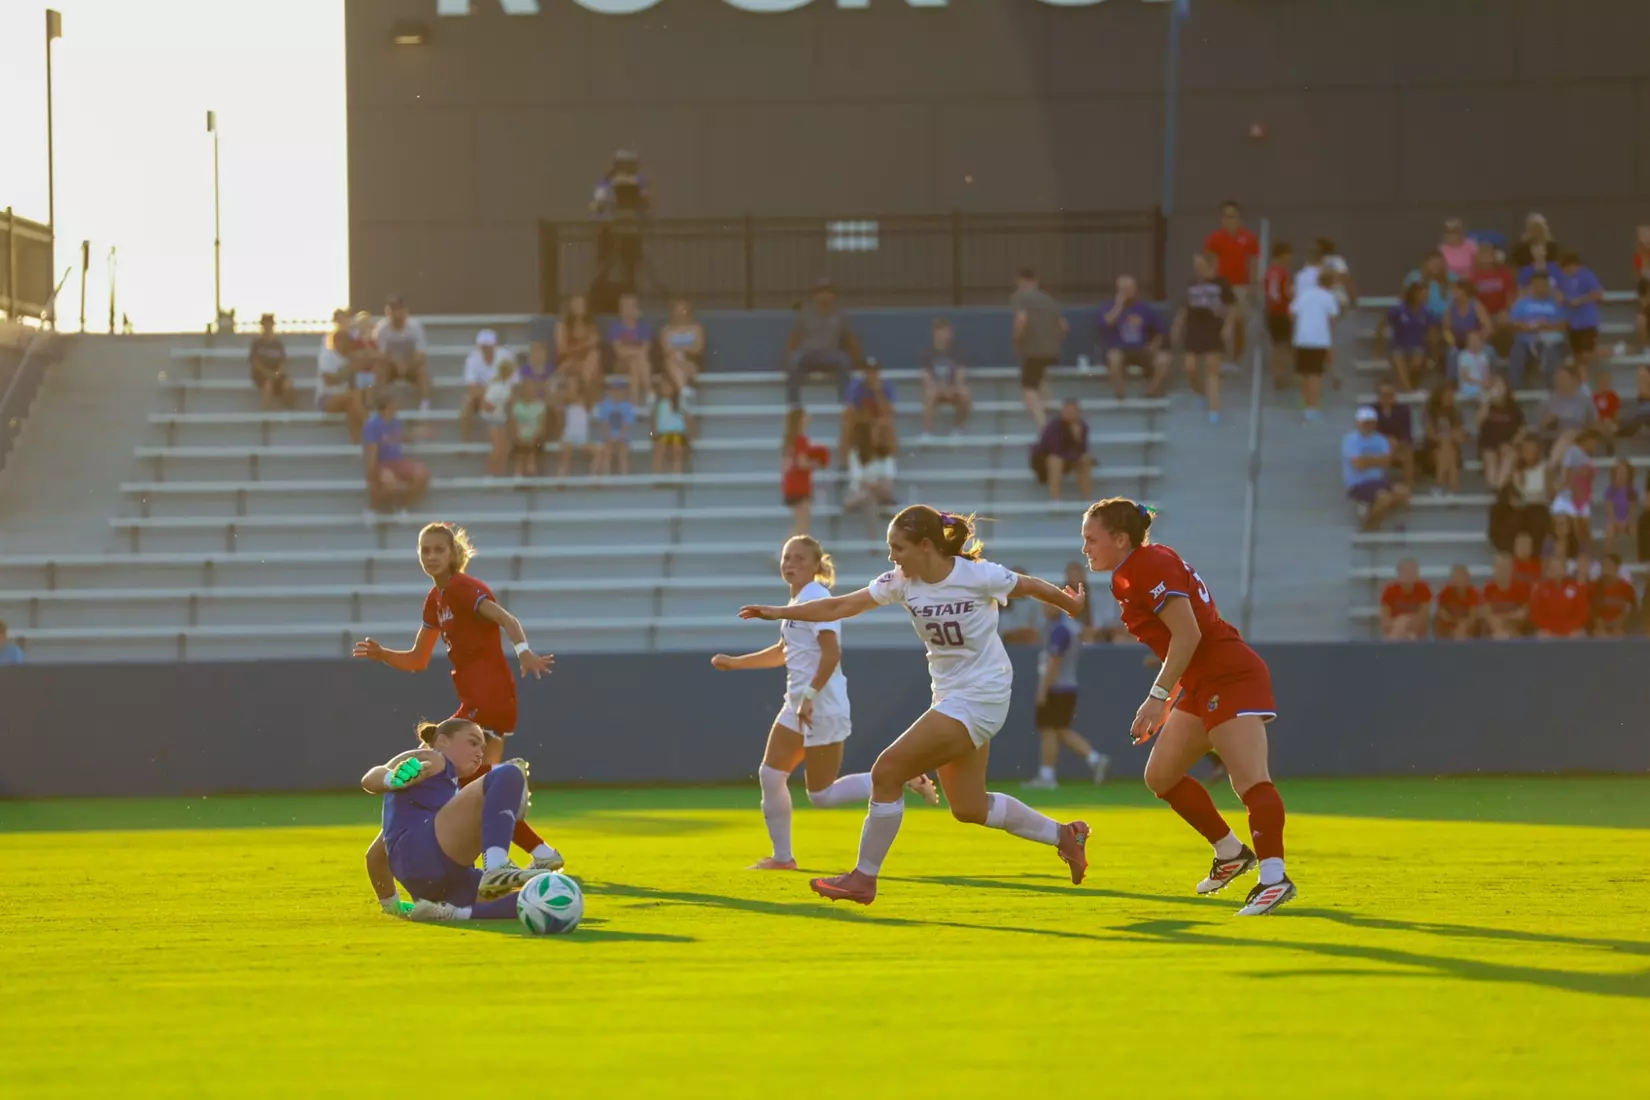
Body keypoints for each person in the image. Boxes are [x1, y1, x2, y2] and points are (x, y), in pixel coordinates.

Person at [738, 507, 1092, 905]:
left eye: (898, 547)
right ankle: (1064, 835)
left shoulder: (978, 575)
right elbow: (839, 607)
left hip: (982, 695)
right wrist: (780, 612)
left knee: (887, 771)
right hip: (950, 696)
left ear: (926, 546)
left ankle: (862, 878)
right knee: (969, 807)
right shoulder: (903, 581)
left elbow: (1028, 586)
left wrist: (1070, 604)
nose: (892, 557)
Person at [1078, 498, 1294, 915]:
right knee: (1161, 775)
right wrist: (1169, 695)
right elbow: (1183, 642)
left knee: (1249, 780)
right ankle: (1231, 853)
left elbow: (1188, 634)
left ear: (1121, 539)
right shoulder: (1133, 569)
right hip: (1202, 681)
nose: (1085, 547)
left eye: (1092, 538)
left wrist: (1158, 697)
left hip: (1229, 676)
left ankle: (1274, 877)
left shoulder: (1147, 564)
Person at [711, 536, 939, 871]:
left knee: (821, 796)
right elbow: (783, 652)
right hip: (798, 703)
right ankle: (783, 858)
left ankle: (904, 776)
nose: (791, 564)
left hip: (820, 705)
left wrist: (810, 696)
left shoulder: (817, 596)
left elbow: (832, 654)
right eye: (787, 557)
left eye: (800, 559)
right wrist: (736, 663)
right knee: (771, 775)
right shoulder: (799, 601)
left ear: (818, 565)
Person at [361, 719, 545, 921]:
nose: (480, 753)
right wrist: (390, 778)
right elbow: (371, 777)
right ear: (442, 741)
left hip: (442, 881)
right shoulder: (435, 759)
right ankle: (496, 867)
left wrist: (391, 905)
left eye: (482, 748)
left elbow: (375, 855)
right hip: (426, 856)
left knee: (540, 896)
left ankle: (452, 914)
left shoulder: (444, 794)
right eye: (472, 743)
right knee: (510, 773)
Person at [1023, 603, 1109, 790]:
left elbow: (1054, 662)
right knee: (1060, 730)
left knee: (1049, 731)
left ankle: (1047, 777)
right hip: (1067, 687)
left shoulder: (1061, 630)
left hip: (1057, 688)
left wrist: (1043, 689)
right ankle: (1094, 759)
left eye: (1048, 605)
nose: (1044, 609)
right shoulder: (1068, 627)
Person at [1174, 253, 1235, 424]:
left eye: (1199, 264)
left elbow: (1232, 307)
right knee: (1190, 368)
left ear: (1210, 265)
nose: (1197, 268)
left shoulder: (1221, 284)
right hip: (1194, 329)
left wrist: (1228, 326)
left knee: (1212, 370)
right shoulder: (1192, 284)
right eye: (1195, 265)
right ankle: (1202, 393)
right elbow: (1184, 308)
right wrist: (1177, 327)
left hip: (1213, 330)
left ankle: (1214, 410)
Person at [786, 279, 860, 409]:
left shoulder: (841, 316)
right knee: (794, 361)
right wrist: (788, 356)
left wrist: (856, 360)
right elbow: (794, 338)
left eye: (828, 292)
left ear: (834, 296)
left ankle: (846, 403)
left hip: (830, 355)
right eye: (820, 292)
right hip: (808, 354)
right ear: (814, 295)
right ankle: (794, 405)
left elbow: (850, 339)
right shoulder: (804, 314)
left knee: (844, 361)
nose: (824, 295)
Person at [1011, 268, 1068, 428]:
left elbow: (1021, 321)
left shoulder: (1020, 297)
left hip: (1033, 351)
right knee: (1040, 379)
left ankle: (1045, 427)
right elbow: (1064, 327)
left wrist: (1016, 339)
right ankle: (1052, 416)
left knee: (1028, 389)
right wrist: (1053, 341)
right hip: (1052, 351)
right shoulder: (1049, 299)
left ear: (1020, 281)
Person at [1099, 274, 1169, 400]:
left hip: (1141, 349)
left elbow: (1160, 332)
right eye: (1124, 289)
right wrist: (1119, 305)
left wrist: (1153, 345)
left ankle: (1150, 393)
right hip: (1119, 349)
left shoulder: (1145, 309)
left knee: (1163, 359)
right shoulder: (1109, 307)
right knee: (1114, 358)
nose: (1127, 292)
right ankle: (1120, 396)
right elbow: (1107, 323)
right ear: (1117, 291)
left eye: (1130, 288)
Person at [361, 393, 429, 515]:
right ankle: (372, 507)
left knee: (422, 474)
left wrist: (417, 433)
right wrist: (372, 472)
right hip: (382, 463)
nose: (397, 405)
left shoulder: (395, 422)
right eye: (393, 403)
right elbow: (372, 449)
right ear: (386, 407)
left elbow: (399, 438)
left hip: (398, 462)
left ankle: (404, 507)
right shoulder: (372, 425)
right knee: (391, 484)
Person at [1343, 406, 1409, 530]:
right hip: (1358, 484)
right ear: (1358, 422)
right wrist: (1377, 459)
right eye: (1365, 422)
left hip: (1378, 482)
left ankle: (1372, 510)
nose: (1368, 425)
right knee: (1384, 498)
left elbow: (1387, 462)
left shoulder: (1381, 440)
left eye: (1371, 422)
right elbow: (1358, 465)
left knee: (1404, 492)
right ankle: (1368, 527)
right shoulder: (1351, 440)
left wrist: (1367, 459)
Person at [1289, 268, 1339, 421]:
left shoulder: (1304, 294)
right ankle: (1313, 407)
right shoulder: (1329, 297)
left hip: (1301, 339)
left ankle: (1305, 403)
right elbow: (1333, 319)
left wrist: (1301, 327)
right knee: (1315, 375)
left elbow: (1291, 312)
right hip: (1319, 340)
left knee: (1304, 373)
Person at [373, 296, 434, 412]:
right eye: (393, 311)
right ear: (388, 313)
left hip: (411, 365)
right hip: (391, 366)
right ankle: (381, 405)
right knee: (380, 369)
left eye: (399, 310)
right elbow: (380, 354)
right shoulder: (381, 329)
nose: (397, 315)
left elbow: (421, 353)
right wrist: (396, 364)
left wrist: (408, 364)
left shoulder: (415, 327)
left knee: (423, 370)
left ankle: (425, 405)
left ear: (405, 312)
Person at [1507, 272, 1567, 388]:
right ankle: (1515, 391)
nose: (1540, 288)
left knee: (1551, 355)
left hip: (1549, 341)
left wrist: (1545, 326)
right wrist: (1526, 326)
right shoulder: (1522, 303)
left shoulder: (1555, 304)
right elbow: (1512, 323)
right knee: (1517, 353)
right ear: (1532, 286)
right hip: (1525, 341)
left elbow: (1563, 324)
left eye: (1543, 285)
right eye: (1537, 285)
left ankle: (1552, 390)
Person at [1557, 251, 1606, 388]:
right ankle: (1583, 383)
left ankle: (1617, 349)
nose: (1568, 271)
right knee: (1577, 356)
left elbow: (1599, 294)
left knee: (1586, 353)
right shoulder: (1563, 277)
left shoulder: (1586, 275)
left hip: (1587, 321)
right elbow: (1558, 292)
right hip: (1572, 323)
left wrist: (1581, 300)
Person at [1030, 398, 1092, 503]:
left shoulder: (1082, 426)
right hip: (1045, 462)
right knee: (1055, 460)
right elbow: (1055, 449)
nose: (1070, 414)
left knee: (1085, 460)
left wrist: (1077, 438)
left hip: (1069, 459)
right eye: (1067, 411)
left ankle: (1087, 499)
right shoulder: (1054, 426)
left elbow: (1083, 450)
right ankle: (1055, 499)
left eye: (1073, 411)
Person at [781, 408, 830, 536]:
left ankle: (786, 552)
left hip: (792, 486)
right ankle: (784, 553)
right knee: (803, 525)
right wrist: (817, 463)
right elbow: (802, 463)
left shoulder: (789, 440)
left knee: (799, 524)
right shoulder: (801, 439)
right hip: (800, 486)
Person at [919, 318, 971, 438]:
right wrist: (940, 389)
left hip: (952, 389)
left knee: (965, 393)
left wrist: (951, 389)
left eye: (946, 331)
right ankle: (926, 432)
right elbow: (926, 377)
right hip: (935, 390)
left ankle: (957, 427)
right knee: (929, 393)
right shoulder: (926, 352)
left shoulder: (958, 351)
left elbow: (960, 375)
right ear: (934, 333)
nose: (944, 335)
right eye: (940, 331)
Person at [461, 329, 515, 444]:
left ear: (494, 345)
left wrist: (490, 391)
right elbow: (471, 389)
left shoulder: (506, 356)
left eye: (488, 346)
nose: (485, 349)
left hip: (502, 394)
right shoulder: (472, 358)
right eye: (483, 346)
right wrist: (490, 390)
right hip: (484, 395)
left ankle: (513, 440)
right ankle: (465, 442)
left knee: (513, 401)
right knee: (467, 403)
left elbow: (513, 383)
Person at [1378, 282, 1433, 392]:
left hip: (1417, 346)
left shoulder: (1426, 311)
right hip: (1398, 345)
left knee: (1417, 362)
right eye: (1422, 294)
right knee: (1398, 359)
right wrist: (1378, 348)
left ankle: (1408, 386)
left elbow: (1430, 332)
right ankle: (1408, 390)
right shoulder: (1398, 309)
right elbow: (1382, 325)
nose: (1425, 297)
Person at [1476, 374, 1525, 492]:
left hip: (1508, 445)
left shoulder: (1513, 407)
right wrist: (1486, 403)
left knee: (1509, 454)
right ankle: (1497, 487)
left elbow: (1522, 429)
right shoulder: (1487, 406)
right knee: (1491, 459)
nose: (1497, 388)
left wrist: (1513, 443)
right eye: (1494, 385)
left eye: (1500, 384)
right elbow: (1478, 422)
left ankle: (1499, 488)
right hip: (1489, 445)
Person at [556, 295, 602, 405]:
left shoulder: (590, 326)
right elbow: (562, 350)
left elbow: (595, 344)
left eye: (581, 304)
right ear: (570, 307)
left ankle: (585, 384)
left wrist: (586, 347)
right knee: (592, 359)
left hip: (586, 365)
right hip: (569, 362)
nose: (579, 307)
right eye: (576, 304)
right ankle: (586, 386)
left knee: (594, 355)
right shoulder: (562, 325)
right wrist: (584, 345)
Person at [1529, 555, 1590, 638]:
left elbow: (1582, 613)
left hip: (1571, 629)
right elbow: (1536, 613)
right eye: (1554, 567)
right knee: (1542, 636)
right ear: (1550, 570)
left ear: (1565, 569)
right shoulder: (1541, 589)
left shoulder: (1576, 588)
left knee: (1579, 635)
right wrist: (1550, 629)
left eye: (1559, 567)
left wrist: (1568, 628)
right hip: (1548, 629)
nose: (1557, 570)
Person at [1262, 242, 1295, 390]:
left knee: (1277, 347)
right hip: (1282, 313)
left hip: (1272, 314)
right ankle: (1282, 378)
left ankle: (1278, 376)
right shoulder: (1282, 272)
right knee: (1284, 348)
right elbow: (1287, 293)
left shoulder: (1269, 272)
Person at [1423, 383, 1465, 495]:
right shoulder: (1430, 412)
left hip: (1451, 449)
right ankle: (1454, 488)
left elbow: (1459, 436)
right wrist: (1445, 438)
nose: (1450, 397)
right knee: (1447, 448)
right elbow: (1430, 434)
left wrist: (1447, 438)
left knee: (1449, 450)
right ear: (1440, 396)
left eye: (1452, 394)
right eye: (1447, 394)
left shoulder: (1456, 413)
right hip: (1433, 449)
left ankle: (1439, 485)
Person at [593, 375, 637, 477]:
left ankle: (624, 477)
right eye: (614, 389)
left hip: (623, 436)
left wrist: (620, 437)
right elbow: (604, 424)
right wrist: (610, 437)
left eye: (619, 389)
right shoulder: (604, 405)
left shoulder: (627, 406)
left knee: (623, 451)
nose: (616, 392)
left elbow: (626, 425)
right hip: (608, 435)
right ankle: (606, 476)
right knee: (607, 450)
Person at [248, 313, 295, 410]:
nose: (268, 327)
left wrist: (276, 374)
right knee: (267, 386)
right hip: (261, 375)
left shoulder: (278, 345)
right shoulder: (257, 344)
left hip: (276, 373)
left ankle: (288, 410)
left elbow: (282, 364)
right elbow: (256, 364)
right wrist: (269, 374)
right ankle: (265, 415)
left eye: (270, 325)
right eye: (265, 325)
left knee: (288, 384)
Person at [478, 357, 515, 477]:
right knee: (498, 449)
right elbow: (487, 404)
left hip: (501, 420)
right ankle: (490, 474)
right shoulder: (496, 385)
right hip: (494, 420)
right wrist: (497, 406)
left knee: (504, 449)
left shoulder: (506, 385)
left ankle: (501, 474)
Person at [1481, 553, 1531, 639]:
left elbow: (1522, 614)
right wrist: (1499, 629)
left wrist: (1502, 619)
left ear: (1511, 568)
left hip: (1515, 632)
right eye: (1498, 567)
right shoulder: (1488, 589)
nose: (1501, 570)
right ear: (1494, 569)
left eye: (1505, 567)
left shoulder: (1521, 588)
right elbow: (1488, 614)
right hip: (1494, 631)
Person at [507, 378, 549, 479]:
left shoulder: (540, 406)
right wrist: (517, 438)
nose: (529, 392)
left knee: (532, 447)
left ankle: (531, 472)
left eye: (531, 389)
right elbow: (512, 425)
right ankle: (519, 475)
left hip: (536, 439)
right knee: (520, 449)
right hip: (519, 438)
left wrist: (534, 438)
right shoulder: (517, 406)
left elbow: (542, 426)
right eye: (527, 389)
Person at [651, 374, 689, 476]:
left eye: (668, 386)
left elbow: (687, 418)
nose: (665, 389)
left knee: (677, 449)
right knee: (659, 448)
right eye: (663, 386)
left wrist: (688, 434)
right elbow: (653, 423)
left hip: (677, 432)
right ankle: (657, 475)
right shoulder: (658, 404)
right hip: (663, 433)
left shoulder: (680, 402)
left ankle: (677, 474)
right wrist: (651, 435)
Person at [1592, 553, 1637, 637]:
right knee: (1599, 635)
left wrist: (1621, 620)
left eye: (1608, 565)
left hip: (1619, 628)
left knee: (1619, 635)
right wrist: (1597, 620)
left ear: (1617, 567)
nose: (1605, 568)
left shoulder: (1627, 588)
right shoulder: (1594, 587)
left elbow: (1632, 609)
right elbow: (1589, 608)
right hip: (1599, 628)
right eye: (1603, 565)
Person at [1434, 564, 1481, 640]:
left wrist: (1463, 626)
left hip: (1467, 627)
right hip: (1451, 625)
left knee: (1478, 620)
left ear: (1467, 577)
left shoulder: (1473, 592)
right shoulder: (1445, 592)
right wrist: (1455, 622)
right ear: (1452, 578)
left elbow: (1473, 615)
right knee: (1439, 620)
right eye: (1456, 576)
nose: (1459, 579)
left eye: (1462, 576)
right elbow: (1441, 612)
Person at [1602, 458, 1636, 558]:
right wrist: (1618, 522)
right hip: (1614, 521)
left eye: (1624, 472)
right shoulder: (1610, 491)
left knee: (1635, 529)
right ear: (1615, 474)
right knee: (1609, 530)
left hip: (1628, 521)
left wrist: (1626, 522)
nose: (1621, 475)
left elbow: (1633, 510)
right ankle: (1609, 556)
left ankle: (1638, 557)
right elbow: (1609, 511)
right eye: (1619, 472)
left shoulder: (1631, 491)